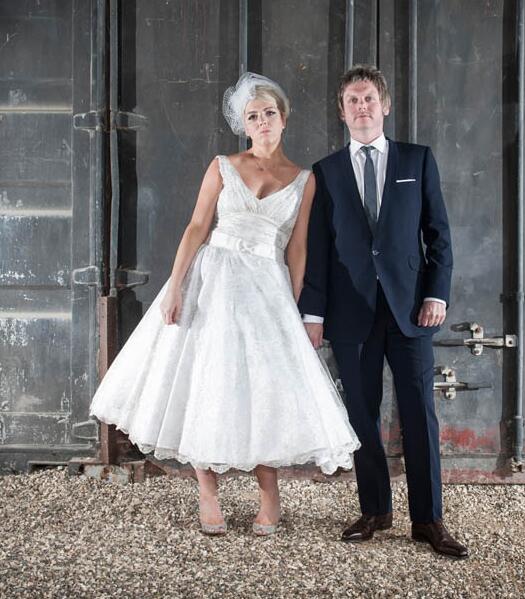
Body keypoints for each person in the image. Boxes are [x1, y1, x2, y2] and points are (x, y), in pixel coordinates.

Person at [89, 72, 359, 537]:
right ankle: (208, 493)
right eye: (253, 116)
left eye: (269, 113)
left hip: (267, 289)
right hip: (211, 282)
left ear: (283, 118)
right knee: (204, 383)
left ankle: (269, 495)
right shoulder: (223, 166)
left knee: (262, 392)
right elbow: (196, 227)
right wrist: (175, 286)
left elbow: (298, 249)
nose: (262, 122)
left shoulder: (305, 180)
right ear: (245, 124)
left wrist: (292, 311)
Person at [299, 65, 468, 558]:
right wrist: (314, 314)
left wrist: (436, 294)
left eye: (369, 98)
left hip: (411, 311)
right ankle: (374, 509)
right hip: (350, 315)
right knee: (361, 417)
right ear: (342, 111)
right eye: (352, 100)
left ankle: (428, 519)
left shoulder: (417, 159)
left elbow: (439, 235)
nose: (362, 107)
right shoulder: (326, 172)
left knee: (420, 414)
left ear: (385, 105)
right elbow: (318, 249)